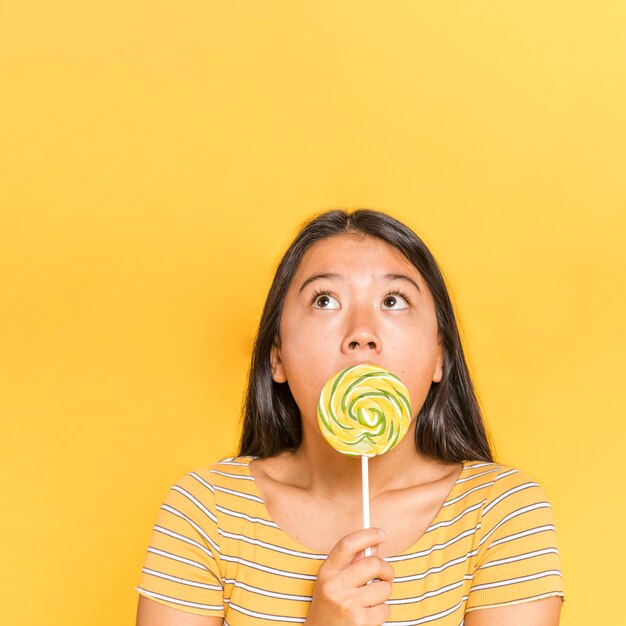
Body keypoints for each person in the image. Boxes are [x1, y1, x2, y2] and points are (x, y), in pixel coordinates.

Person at [135, 209, 564, 626]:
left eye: (393, 301)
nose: (362, 334)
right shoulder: (206, 511)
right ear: (277, 357)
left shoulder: (499, 513)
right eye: (325, 300)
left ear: (439, 357)